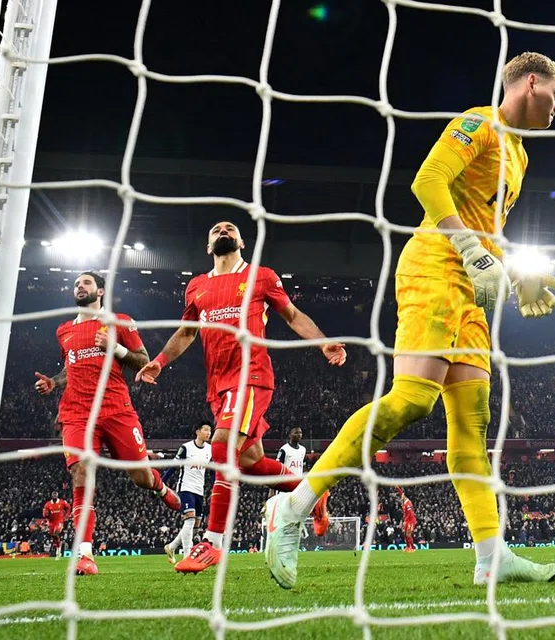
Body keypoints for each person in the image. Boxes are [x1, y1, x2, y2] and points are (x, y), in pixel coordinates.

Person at [264, 52, 555, 590]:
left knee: (471, 424)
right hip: (434, 267)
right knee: (411, 400)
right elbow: (428, 182)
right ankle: (291, 508)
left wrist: (513, 273)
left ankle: (490, 555)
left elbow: (485, 225)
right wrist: (474, 252)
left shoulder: (521, 156)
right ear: (529, 82)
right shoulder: (478, 123)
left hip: (472, 285)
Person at [136, 221, 343, 573]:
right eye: (215, 229)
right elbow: (186, 332)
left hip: (251, 377)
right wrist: (158, 362)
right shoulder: (197, 287)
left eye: (229, 228)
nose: (222, 231)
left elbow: (292, 316)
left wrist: (322, 341)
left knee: (221, 447)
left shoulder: (261, 276)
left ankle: (214, 543)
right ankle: (315, 493)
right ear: (207, 246)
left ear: (242, 241)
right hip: (218, 386)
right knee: (249, 461)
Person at [35, 270, 180, 575]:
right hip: (75, 413)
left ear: (100, 291)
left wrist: (115, 348)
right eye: (76, 283)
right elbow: (69, 368)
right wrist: (54, 383)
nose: (79, 286)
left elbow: (144, 360)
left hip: (116, 410)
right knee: (80, 472)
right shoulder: (64, 330)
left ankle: (158, 486)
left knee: (140, 477)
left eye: (86, 282)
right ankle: (85, 554)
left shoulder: (119, 321)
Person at [163, 422, 213, 565]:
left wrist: (215, 485)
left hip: (199, 490)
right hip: (185, 488)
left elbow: (213, 469)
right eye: (205, 430)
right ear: (198, 432)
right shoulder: (186, 448)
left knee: (195, 526)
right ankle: (187, 558)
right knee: (190, 521)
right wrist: (160, 483)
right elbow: (173, 467)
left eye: (210, 430)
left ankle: (171, 547)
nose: (208, 433)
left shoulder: (210, 449)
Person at [43, 490, 71, 559]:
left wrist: (67, 516)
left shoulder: (61, 502)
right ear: (52, 496)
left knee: (56, 531)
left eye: (55, 495)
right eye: (53, 495)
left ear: (57, 495)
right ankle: (58, 550)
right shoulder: (48, 504)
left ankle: (58, 548)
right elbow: (45, 514)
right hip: (52, 522)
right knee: (54, 536)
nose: (54, 496)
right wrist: (45, 515)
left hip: (59, 521)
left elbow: (68, 507)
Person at [395, 487, 418, 553]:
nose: (401, 496)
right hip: (407, 520)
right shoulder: (405, 501)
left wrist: (405, 521)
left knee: (408, 534)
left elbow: (410, 513)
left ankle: (413, 548)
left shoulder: (408, 503)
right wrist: (397, 488)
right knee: (405, 534)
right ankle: (407, 547)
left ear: (405, 496)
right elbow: (401, 493)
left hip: (410, 520)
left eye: (402, 495)